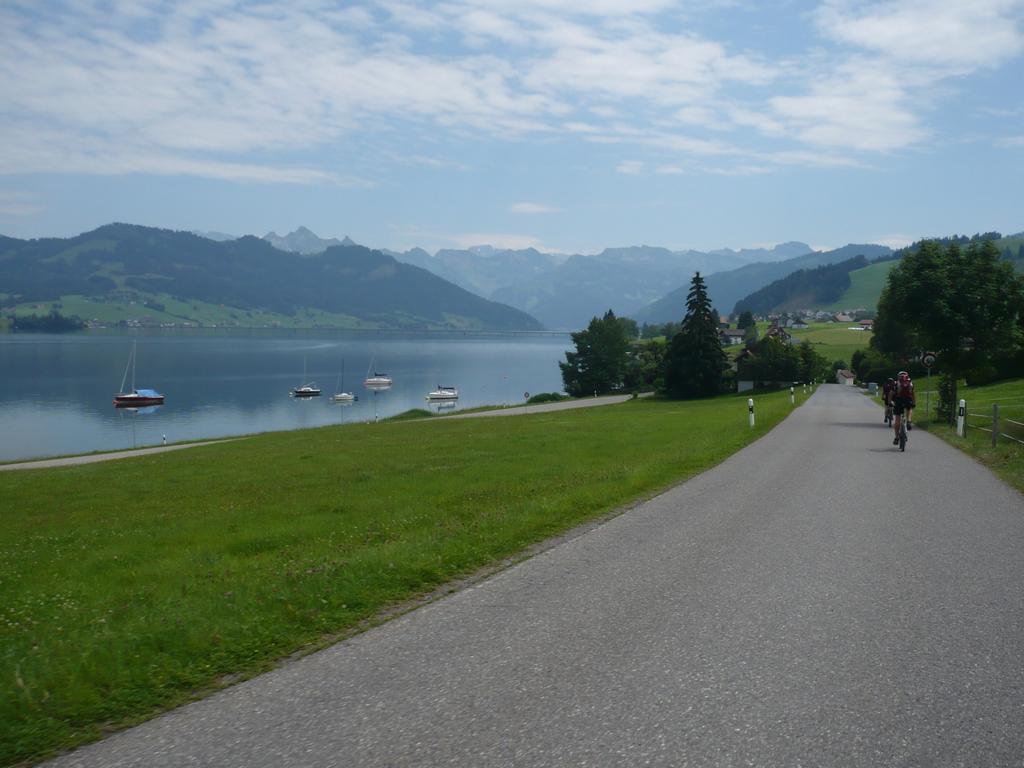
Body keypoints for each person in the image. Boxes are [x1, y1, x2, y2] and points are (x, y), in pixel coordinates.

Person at [892, 370, 915, 446]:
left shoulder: (896, 383)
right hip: (908, 399)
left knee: (897, 419)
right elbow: (913, 393)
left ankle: (896, 438)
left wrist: (890, 402)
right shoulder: (910, 383)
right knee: (910, 408)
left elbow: (891, 393)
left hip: (898, 400)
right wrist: (914, 402)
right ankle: (909, 421)